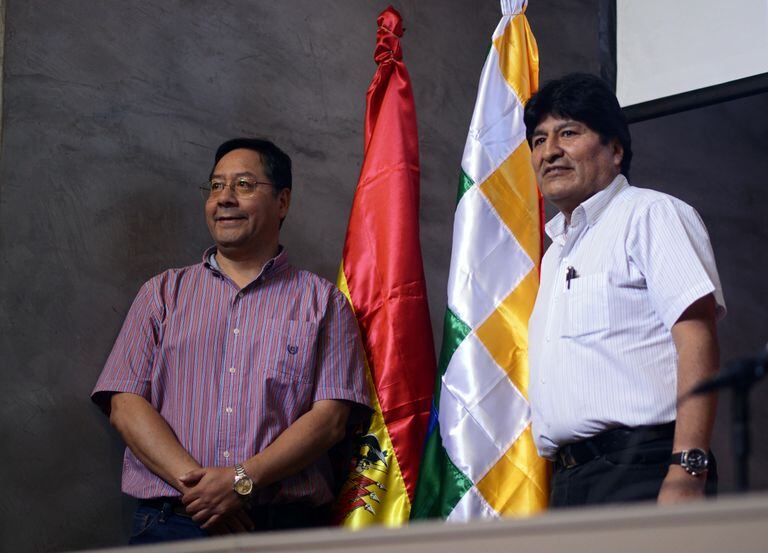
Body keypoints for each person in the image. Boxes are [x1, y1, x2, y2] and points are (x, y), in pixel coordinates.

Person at [92, 138, 369, 543]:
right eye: (216, 186)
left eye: (243, 185)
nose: (224, 199)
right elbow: (124, 405)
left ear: (282, 201)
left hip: (281, 529)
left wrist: (242, 482)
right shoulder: (162, 293)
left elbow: (329, 421)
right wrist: (205, 494)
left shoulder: (323, 303)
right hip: (174, 523)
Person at [524, 73, 726, 508]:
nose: (550, 151)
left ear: (615, 150)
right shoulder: (557, 251)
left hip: (645, 470)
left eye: (569, 133)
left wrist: (687, 468)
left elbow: (698, 338)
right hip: (571, 480)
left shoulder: (651, 215)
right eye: (539, 140)